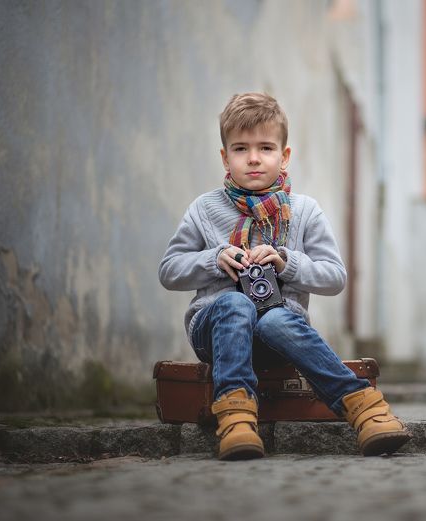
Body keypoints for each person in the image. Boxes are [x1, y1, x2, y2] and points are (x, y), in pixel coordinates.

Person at [158, 92, 411, 460]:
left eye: (266, 147)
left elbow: (335, 277)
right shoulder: (204, 209)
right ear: (225, 157)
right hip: (214, 331)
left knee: (276, 319)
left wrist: (287, 263)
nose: (254, 158)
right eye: (241, 149)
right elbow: (169, 270)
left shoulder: (305, 211)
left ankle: (366, 410)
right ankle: (237, 422)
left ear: (284, 155)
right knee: (233, 302)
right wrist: (214, 259)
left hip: (280, 336)